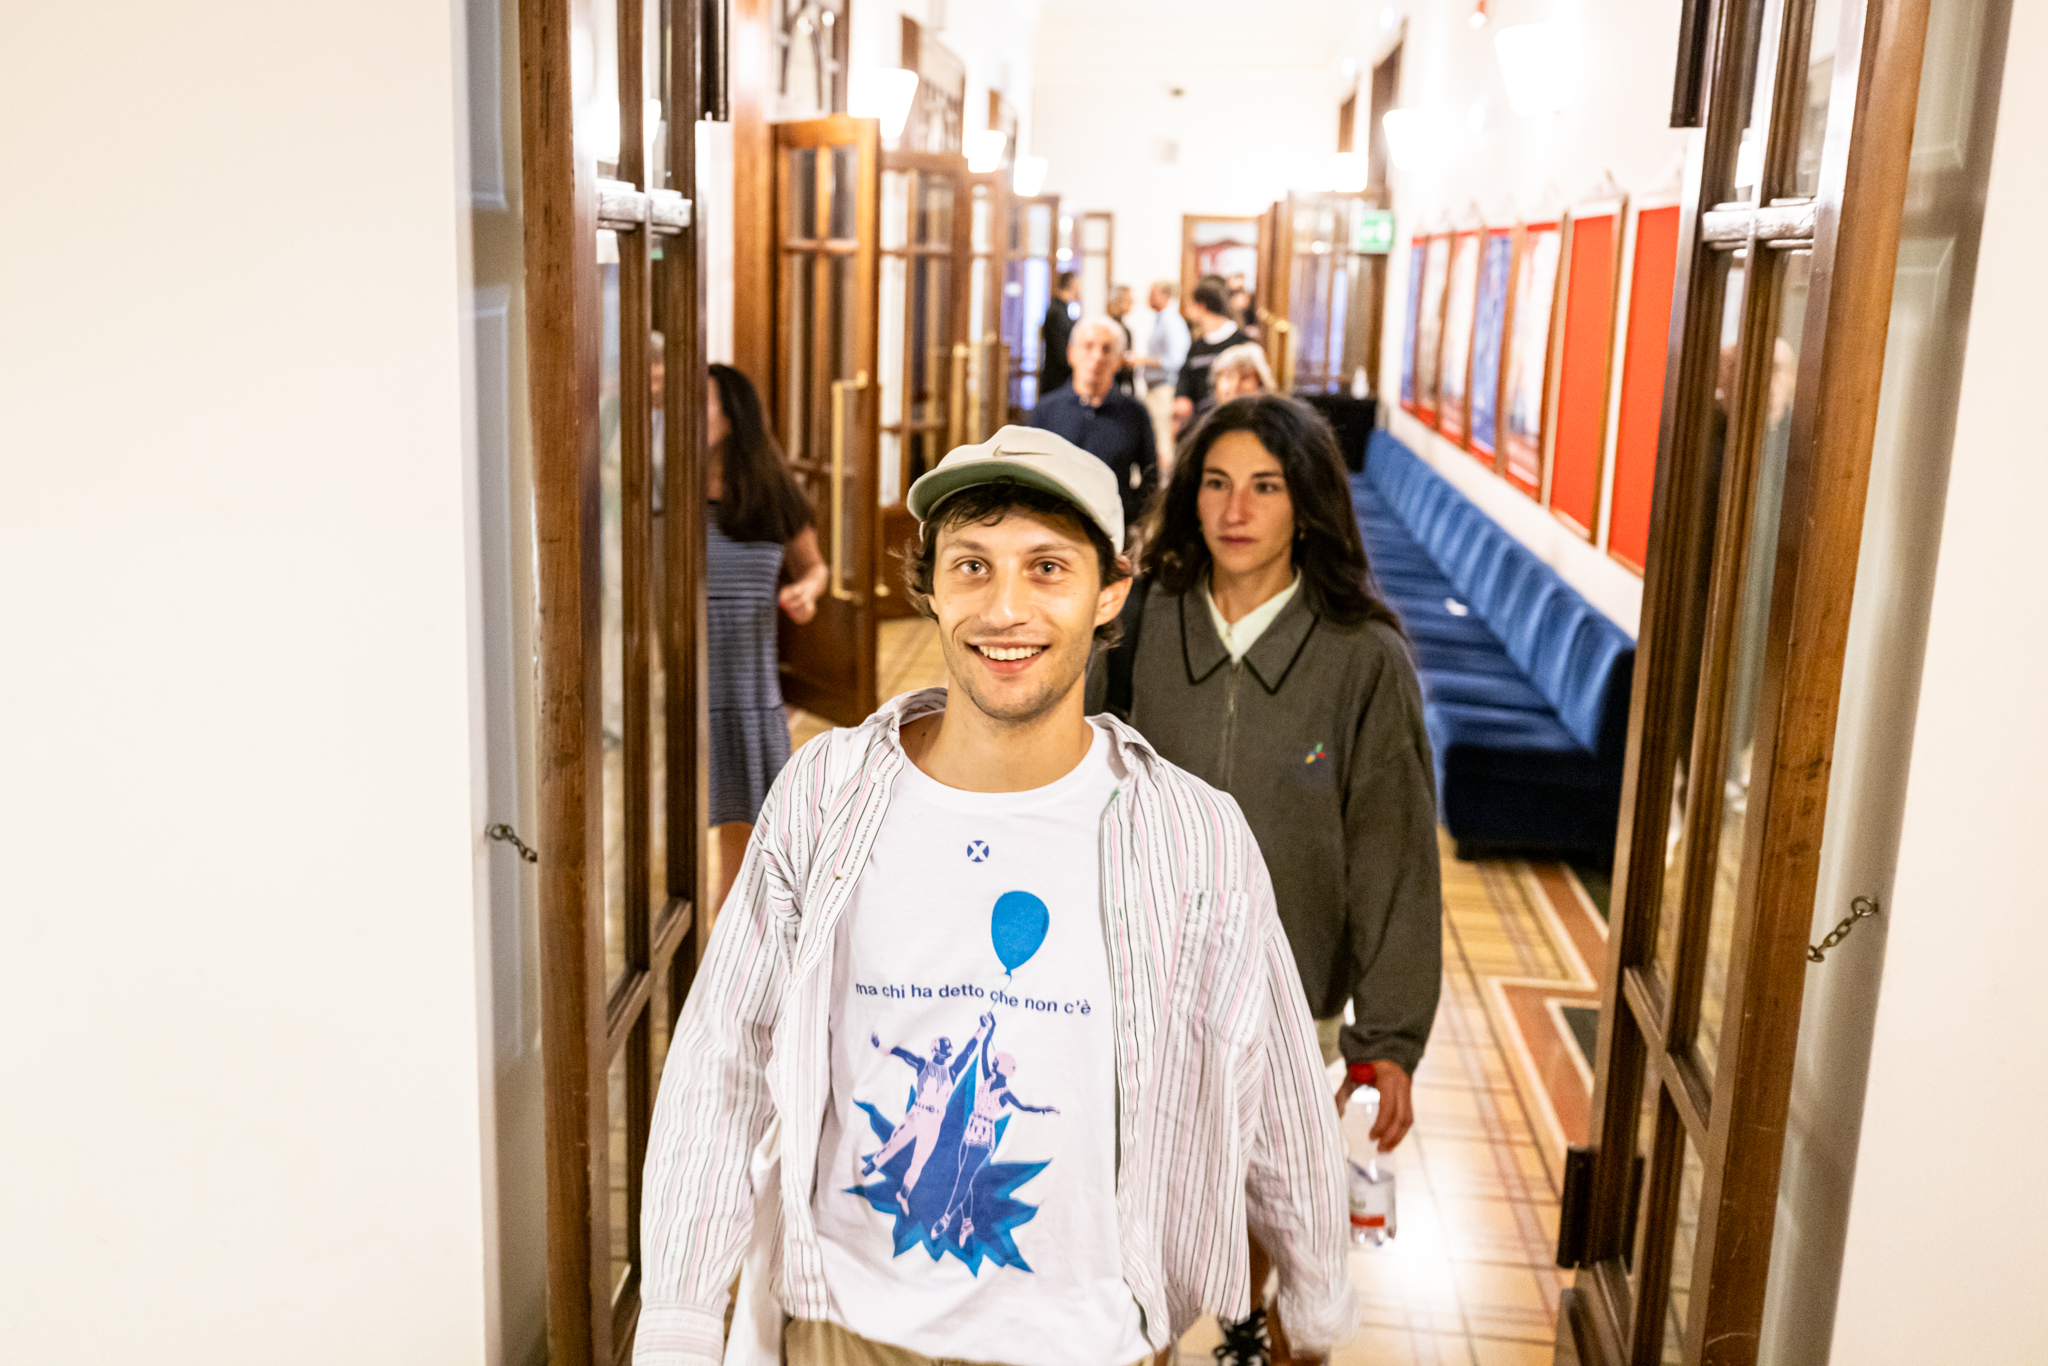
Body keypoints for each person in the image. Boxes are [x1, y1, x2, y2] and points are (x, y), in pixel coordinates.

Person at [637, 425, 1357, 1366]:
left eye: (1047, 568)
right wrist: (681, 1319)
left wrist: (1315, 1297)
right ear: (931, 588)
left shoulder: (1195, 837)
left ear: (1111, 593)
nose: (1004, 609)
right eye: (972, 566)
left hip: (1094, 1343)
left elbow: (1279, 1092)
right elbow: (723, 1060)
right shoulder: (825, 795)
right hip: (848, 1333)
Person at [1090, 394, 1441, 1365]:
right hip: (1144, 987)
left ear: (1307, 505)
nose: (1233, 509)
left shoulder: (1363, 657)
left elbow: (1392, 854)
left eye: (1264, 486)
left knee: (1261, 1228)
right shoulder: (1142, 621)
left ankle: (1256, 1334)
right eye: (1213, 483)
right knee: (1141, 1230)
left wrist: (1389, 1038)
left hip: (1290, 1006)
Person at [704, 363, 828, 921]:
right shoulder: (664, 484)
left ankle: (730, 936)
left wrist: (806, 592)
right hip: (684, 675)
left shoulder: (771, 488)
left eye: (699, 401)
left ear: (730, 416)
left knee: (745, 832)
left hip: (747, 681)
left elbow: (815, 568)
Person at [1030, 317, 1159, 530]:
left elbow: (1151, 478)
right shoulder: (1046, 411)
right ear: (1071, 353)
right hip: (1055, 525)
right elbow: (1030, 472)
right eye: (1088, 346)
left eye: (1107, 349)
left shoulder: (1135, 413)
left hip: (1114, 529)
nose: (1097, 357)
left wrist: (1130, 515)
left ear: (1119, 360)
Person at [1129, 280, 1190, 473]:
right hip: (1154, 387)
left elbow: (1175, 359)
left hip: (1164, 386)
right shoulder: (1160, 320)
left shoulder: (1172, 322)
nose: (1148, 297)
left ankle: (1163, 484)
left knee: (1163, 440)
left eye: (1152, 293)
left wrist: (1142, 360)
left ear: (1164, 296)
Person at [1174, 279, 1248, 431]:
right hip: (1200, 424)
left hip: (1232, 423)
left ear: (1201, 306)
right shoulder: (1197, 346)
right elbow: (1185, 378)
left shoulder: (1240, 343)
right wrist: (1182, 397)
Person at [1038, 270, 1081, 398]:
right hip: (1056, 380)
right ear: (1072, 285)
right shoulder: (1056, 312)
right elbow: (1060, 352)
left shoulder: (1062, 310)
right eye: (1078, 285)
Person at [1105, 284, 1136, 393]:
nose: (1131, 303)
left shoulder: (1124, 329)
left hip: (1122, 384)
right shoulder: (1106, 329)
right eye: (1128, 300)